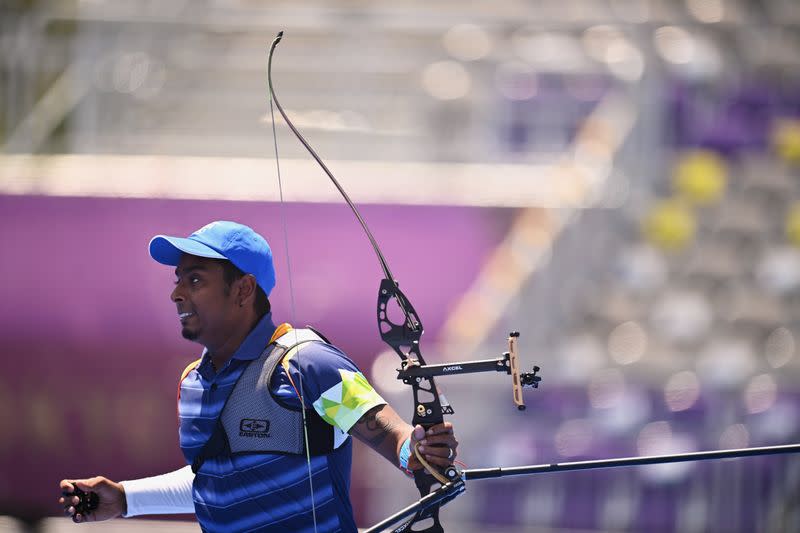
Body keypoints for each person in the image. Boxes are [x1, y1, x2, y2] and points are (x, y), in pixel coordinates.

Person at [59, 220, 458, 532]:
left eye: (195, 279)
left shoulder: (307, 363)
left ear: (244, 289)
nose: (177, 293)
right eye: (177, 279)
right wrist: (126, 499)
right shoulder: (193, 383)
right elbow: (218, 481)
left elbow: (392, 435)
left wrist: (418, 449)